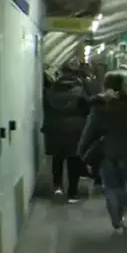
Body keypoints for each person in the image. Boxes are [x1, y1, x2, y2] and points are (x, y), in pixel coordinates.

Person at [77, 70, 127, 234]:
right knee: (121, 185)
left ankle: (116, 221)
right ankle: (120, 216)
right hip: (126, 152)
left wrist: (82, 150)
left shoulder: (99, 106)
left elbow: (90, 130)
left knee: (110, 187)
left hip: (105, 151)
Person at [42, 61, 89, 203]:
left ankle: (57, 186)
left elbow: (47, 110)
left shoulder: (50, 90)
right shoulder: (80, 91)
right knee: (73, 160)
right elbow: (86, 109)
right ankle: (72, 193)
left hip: (55, 129)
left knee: (58, 158)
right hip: (75, 129)